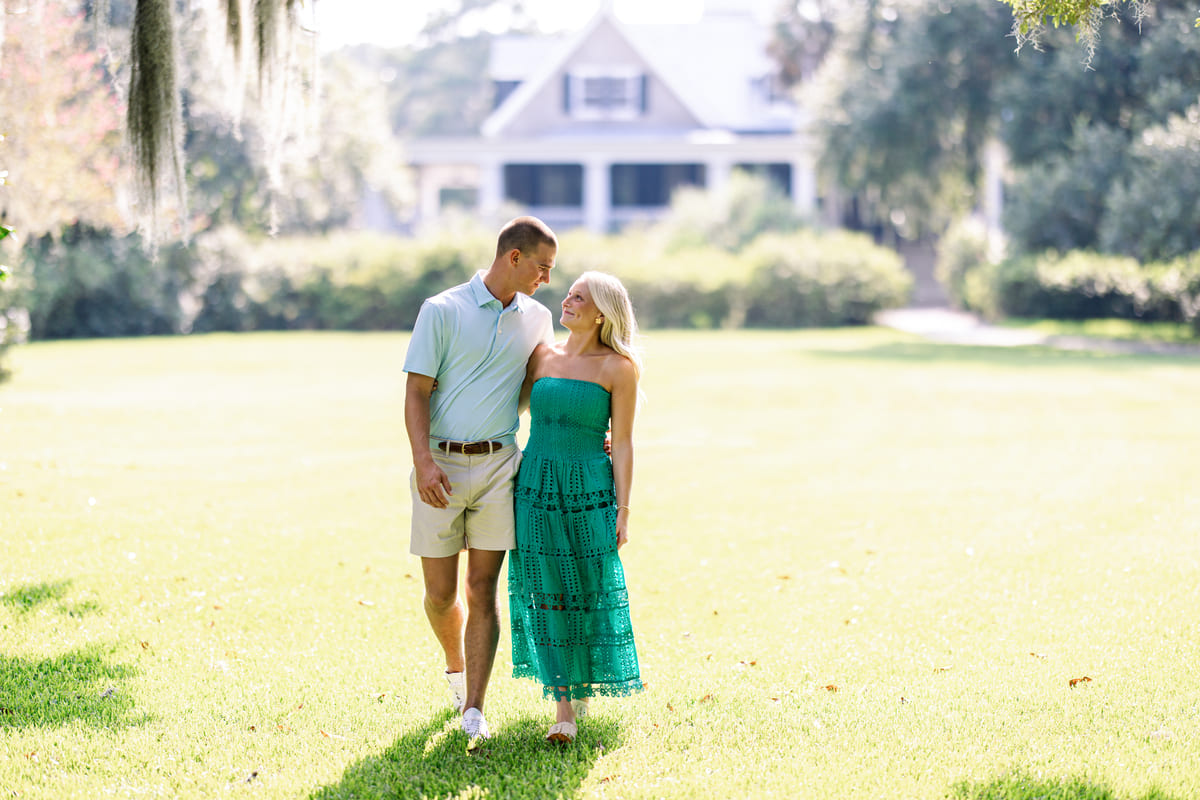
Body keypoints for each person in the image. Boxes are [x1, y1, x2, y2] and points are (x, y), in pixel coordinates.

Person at [403, 216, 556, 747]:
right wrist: (423, 462)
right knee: (441, 595)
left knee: (481, 590)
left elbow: (544, 389)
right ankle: (455, 667)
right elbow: (417, 391)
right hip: (440, 467)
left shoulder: (538, 319)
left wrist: (590, 430)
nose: (546, 279)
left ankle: (474, 708)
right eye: (541, 267)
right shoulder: (441, 310)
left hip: (499, 468)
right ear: (514, 258)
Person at [507, 270, 644, 744]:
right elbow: (511, 408)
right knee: (546, 592)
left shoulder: (618, 368)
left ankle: (578, 680)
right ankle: (563, 706)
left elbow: (623, 443)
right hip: (536, 485)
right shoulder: (542, 355)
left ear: (601, 313)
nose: (566, 301)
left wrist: (623, 509)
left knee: (586, 590)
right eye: (568, 293)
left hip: (589, 489)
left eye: (578, 297)